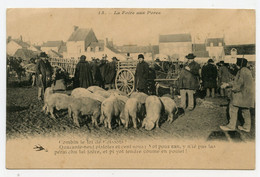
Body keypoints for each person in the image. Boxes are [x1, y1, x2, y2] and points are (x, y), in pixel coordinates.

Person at [220, 58, 254, 132]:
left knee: (232, 107)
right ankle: (246, 127)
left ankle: (231, 126)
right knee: (246, 110)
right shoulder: (248, 70)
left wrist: (230, 87)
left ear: (239, 65)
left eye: (237, 64)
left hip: (242, 94)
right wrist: (228, 84)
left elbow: (239, 84)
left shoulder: (242, 71)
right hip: (248, 95)